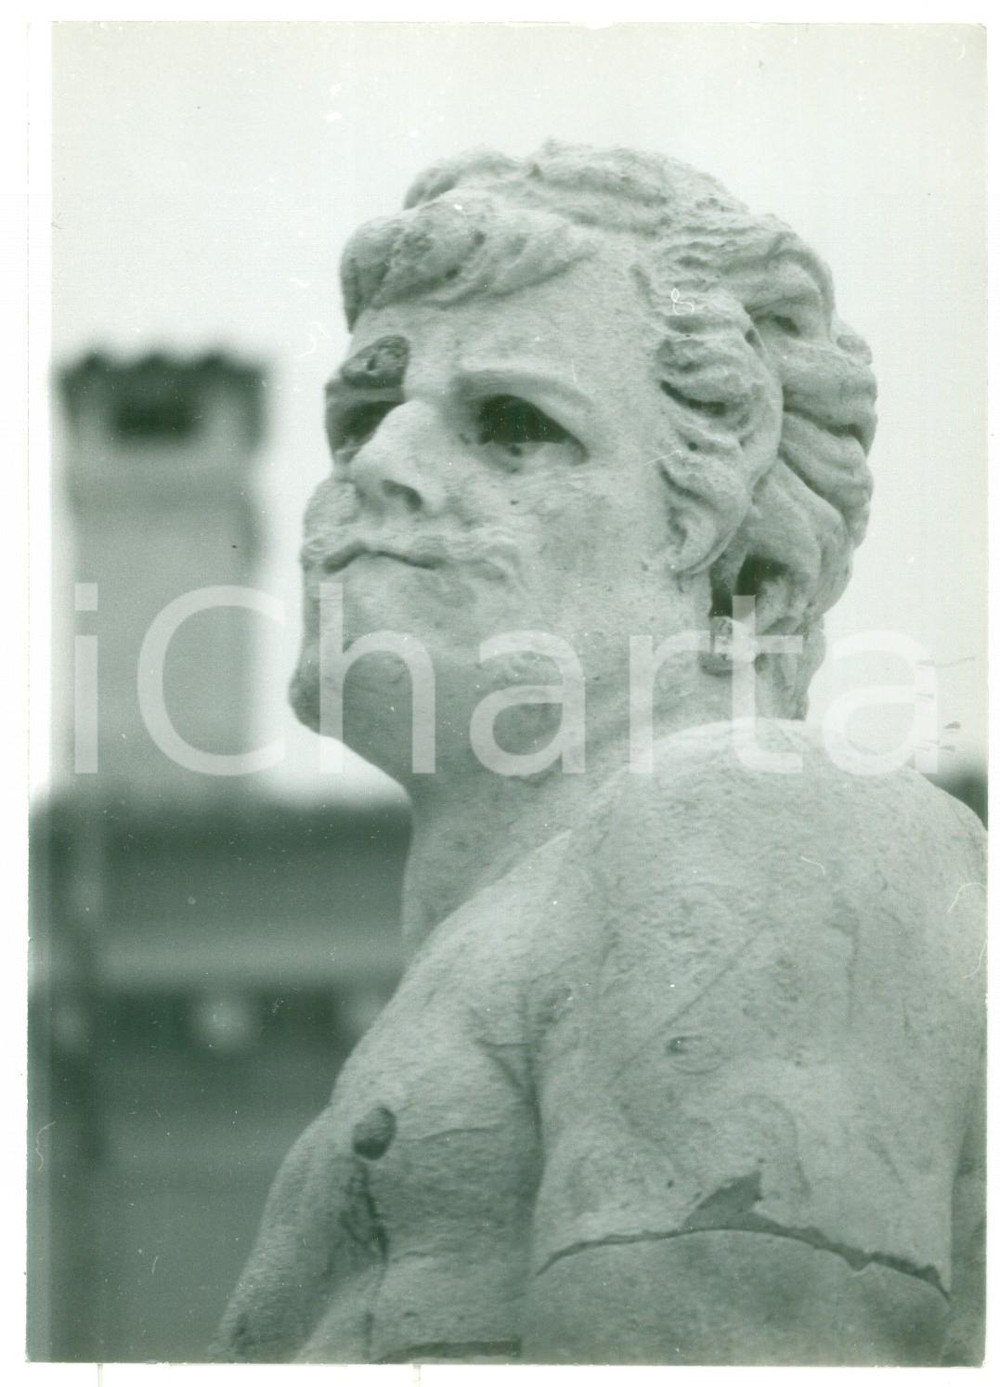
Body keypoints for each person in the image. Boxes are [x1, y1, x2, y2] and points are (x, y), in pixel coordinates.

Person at [213, 143, 985, 1365]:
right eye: (364, 411)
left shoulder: (755, 818)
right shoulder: (514, 940)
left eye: (515, 425)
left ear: (749, 573)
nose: (377, 463)